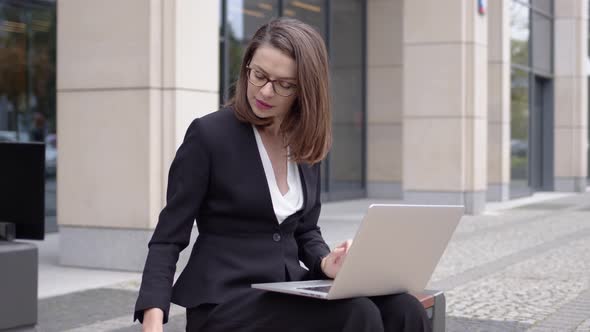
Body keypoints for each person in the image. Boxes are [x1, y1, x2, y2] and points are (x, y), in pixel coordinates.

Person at [134, 17, 430, 332]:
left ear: (305, 89)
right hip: (226, 302)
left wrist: (326, 263)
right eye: (258, 75)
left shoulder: (304, 143)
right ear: (247, 66)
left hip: (289, 291)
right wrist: (153, 321)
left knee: (404, 308)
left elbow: (305, 232)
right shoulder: (209, 135)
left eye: (283, 84)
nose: (264, 90)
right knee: (357, 314)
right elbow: (168, 237)